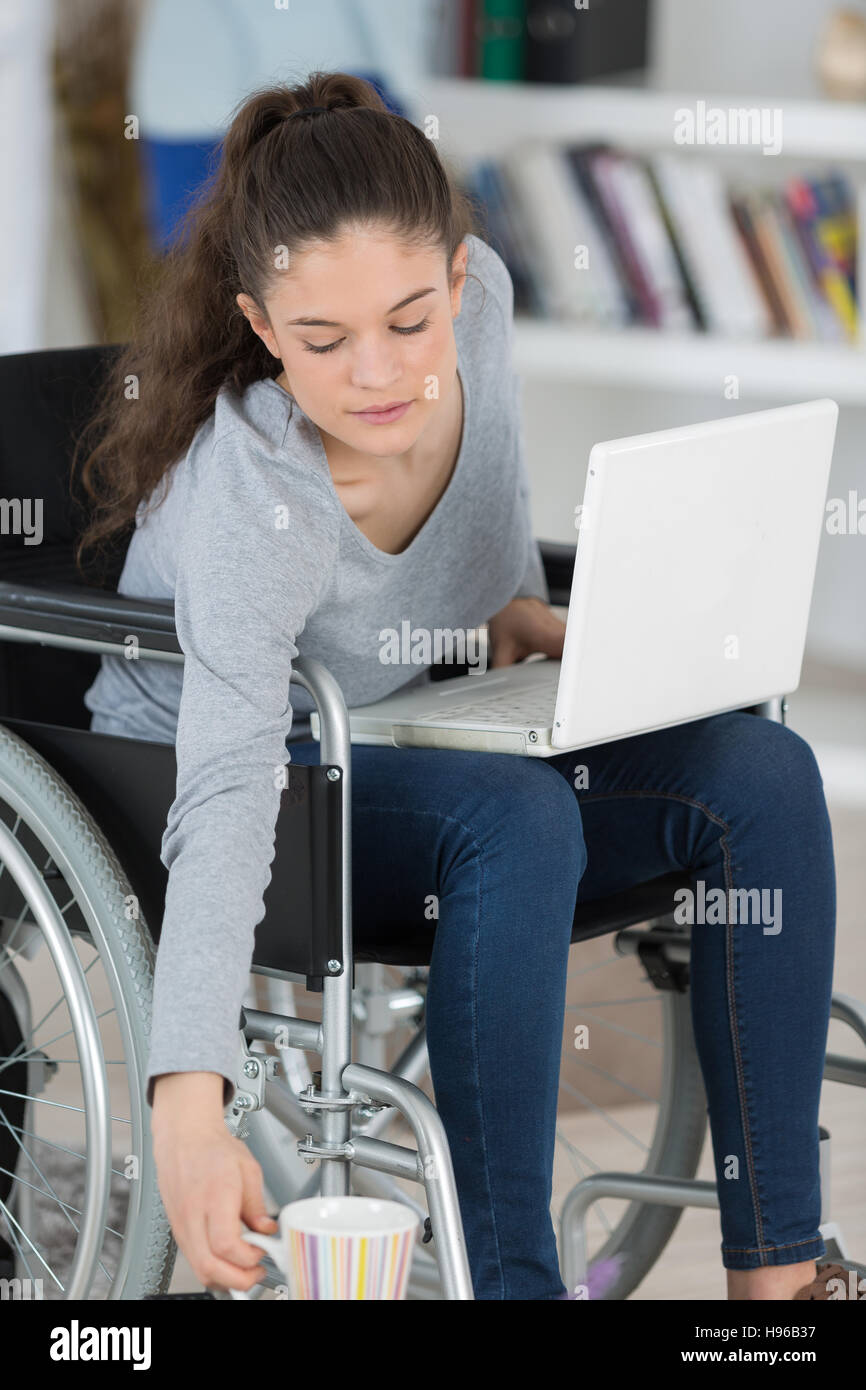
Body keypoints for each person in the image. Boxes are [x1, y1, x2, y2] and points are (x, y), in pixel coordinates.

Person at [75, 71, 842, 1302]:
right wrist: (186, 1102)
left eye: (409, 318)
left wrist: (512, 613)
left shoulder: (478, 308)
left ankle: (779, 1281)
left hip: (411, 716)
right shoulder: (253, 493)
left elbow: (486, 500)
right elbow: (223, 794)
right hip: (230, 773)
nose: (379, 372)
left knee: (760, 773)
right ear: (262, 325)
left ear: (456, 275)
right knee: (515, 817)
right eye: (323, 341)